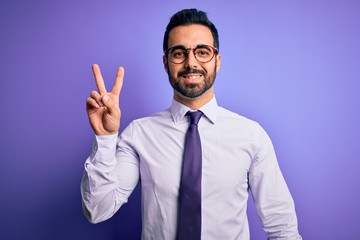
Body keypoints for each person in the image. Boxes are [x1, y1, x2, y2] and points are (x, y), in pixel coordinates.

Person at [81, 8, 302, 240]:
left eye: (203, 52)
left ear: (218, 61)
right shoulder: (139, 134)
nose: (191, 62)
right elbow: (97, 210)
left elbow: (282, 227)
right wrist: (105, 139)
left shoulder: (251, 135)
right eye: (179, 53)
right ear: (166, 63)